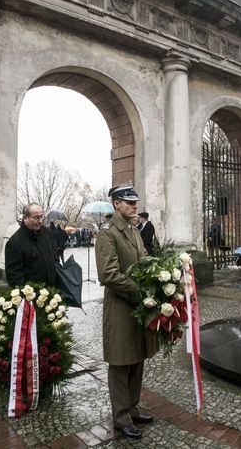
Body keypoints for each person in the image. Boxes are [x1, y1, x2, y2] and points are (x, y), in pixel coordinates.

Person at [95, 184, 156, 440]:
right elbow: (108, 274)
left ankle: (132, 408)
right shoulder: (108, 234)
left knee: (137, 357)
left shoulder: (134, 230)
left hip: (138, 307)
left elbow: (143, 262)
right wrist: (139, 292)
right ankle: (121, 418)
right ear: (116, 204)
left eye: (135, 203)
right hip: (121, 307)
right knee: (121, 363)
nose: (134, 207)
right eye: (129, 203)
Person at [4, 203, 57, 288]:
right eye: (36, 217)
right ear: (25, 218)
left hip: (52, 290)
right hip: (32, 296)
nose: (40, 221)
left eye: (41, 217)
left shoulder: (46, 233)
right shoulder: (14, 243)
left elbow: (54, 257)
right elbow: (14, 276)